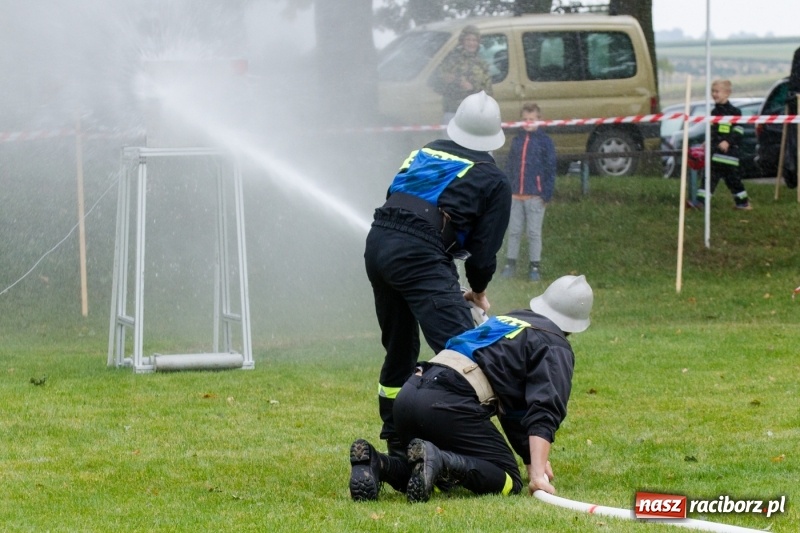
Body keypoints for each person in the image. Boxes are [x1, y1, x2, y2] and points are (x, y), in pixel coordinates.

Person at [360, 91, 511, 473]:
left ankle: (398, 444)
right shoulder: (493, 179)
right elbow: (483, 252)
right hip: (419, 254)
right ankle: (463, 447)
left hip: (379, 243)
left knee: (399, 349)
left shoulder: (424, 152)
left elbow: (397, 198)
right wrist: (478, 291)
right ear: (494, 136)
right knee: (464, 354)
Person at [348, 275, 593, 503]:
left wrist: (532, 460)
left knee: (429, 474)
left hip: (410, 393)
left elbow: (514, 411)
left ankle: (377, 463)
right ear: (575, 324)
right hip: (447, 404)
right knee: (508, 478)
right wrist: (537, 475)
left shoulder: (511, 320)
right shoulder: (554, 344)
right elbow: (545, 408)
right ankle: (440, 460)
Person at [501, 103, 557, 282]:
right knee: (514, 231)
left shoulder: (545, 142)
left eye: (531, 119)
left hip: (535, 196)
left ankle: (534, 266)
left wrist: (546, 194)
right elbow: (510, 167)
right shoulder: (516, 141)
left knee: (534, 233)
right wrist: (508, 188)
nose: (528, 123)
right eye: (525, 119)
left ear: (539, 120)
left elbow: (550, 169)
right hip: (515, 196)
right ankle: (510, 264)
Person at [690, 80, 752, 210]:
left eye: (717, 91)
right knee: (709, 177)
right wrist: (708, 141)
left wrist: (728, 141)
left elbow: (739, 130)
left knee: (733, 180)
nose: (714, 94)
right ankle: (701, 202)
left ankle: (743, 203)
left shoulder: (735, 112)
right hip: (715, 154)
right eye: (712, 91)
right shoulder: (714, 112)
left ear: (727, 93)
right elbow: (714, 131)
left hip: (730, 155)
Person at [430, 25, 494, 125]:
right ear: (462, 41)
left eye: (474, 40)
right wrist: (449, 81)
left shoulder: (481, 64)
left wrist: (472, 89)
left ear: (478, 42)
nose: (471, 43)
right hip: (453, 112)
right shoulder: (450, 60)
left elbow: (488, 92)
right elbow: (434, 83)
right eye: (468, 40)